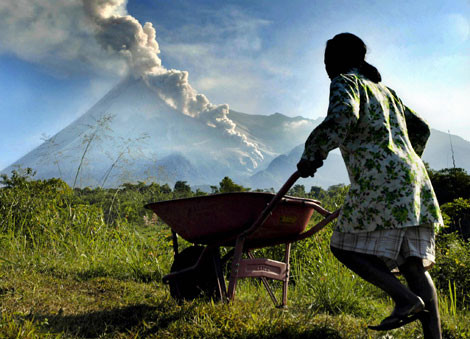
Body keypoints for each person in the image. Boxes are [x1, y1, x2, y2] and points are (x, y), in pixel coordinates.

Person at [297, 33, 443, 338]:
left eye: (327, 60)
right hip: (414, 182)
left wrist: (312, 155)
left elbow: (342, 118)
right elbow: (422, 129)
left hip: (381, 182)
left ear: (338, 59)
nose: (326, 67)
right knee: (413, 265)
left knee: (343, 247)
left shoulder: (345, 82)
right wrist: (404, 159)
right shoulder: (385, 91)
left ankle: (404, 299)